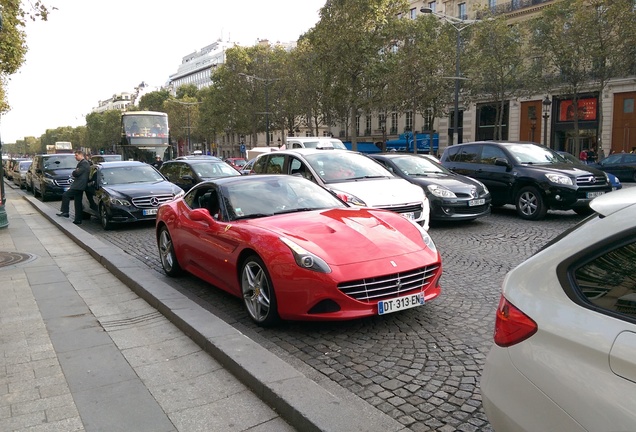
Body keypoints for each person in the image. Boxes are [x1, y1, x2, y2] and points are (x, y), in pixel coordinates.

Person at [57, 150, 90, 225]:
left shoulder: (84, 163)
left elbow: (76, 173)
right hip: (80, 185)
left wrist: (74, 172)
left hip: (79, 185)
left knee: (66, 195)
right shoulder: (82, 163)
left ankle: (65, 212)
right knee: (77, 202)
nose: (75, 157)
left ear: (81, 155)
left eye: (76, 155)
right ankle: (78, 219)